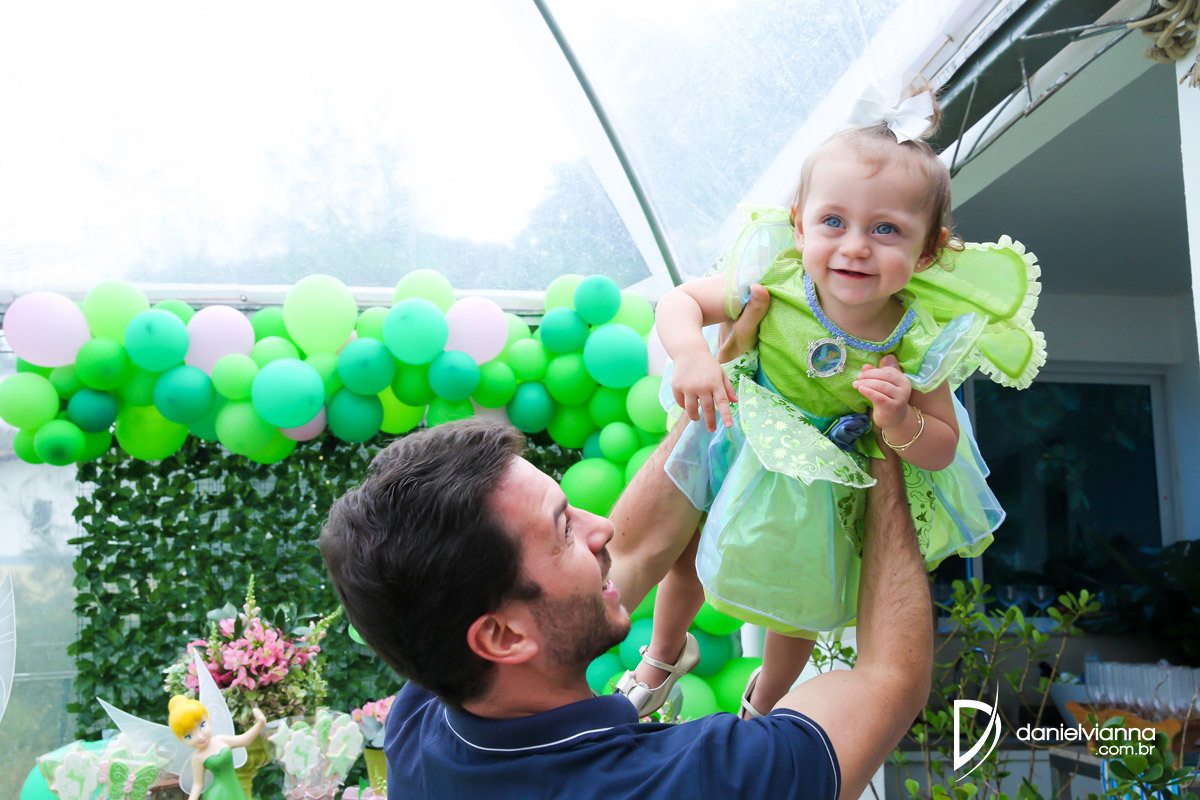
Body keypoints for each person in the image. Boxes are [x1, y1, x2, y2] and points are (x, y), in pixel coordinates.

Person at [318, 299, 933, 798]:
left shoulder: (427, 717)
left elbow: (636, 550)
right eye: (564, 530)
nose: (601, 528)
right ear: (502, 637)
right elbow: (889, 678)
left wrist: (731, 376)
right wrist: (882, 442)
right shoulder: (693, 783)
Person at [625, 78, 1044, 721]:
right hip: (740, 434)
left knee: (800, 607)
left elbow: (941, 447)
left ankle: (764, 703)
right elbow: (680, 302)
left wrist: (900, 418)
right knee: (684, 553)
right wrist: (693, 356)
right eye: (833, 222)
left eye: (885, 229)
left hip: (819, 483)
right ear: (798, 225)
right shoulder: (777, 279)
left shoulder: (915, 338)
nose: (854, 246)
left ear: (928, 251)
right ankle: (662, 655)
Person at [168, 695, 266, 800]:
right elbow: (197, 785)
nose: (200, 737)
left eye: (202, 725)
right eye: (189, 736)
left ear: (208, 719)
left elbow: (245, 740)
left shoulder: (221, 740)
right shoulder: (197, 758)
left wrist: (260, 723)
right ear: (182, 740)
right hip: (217, 795)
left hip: (235, 789)